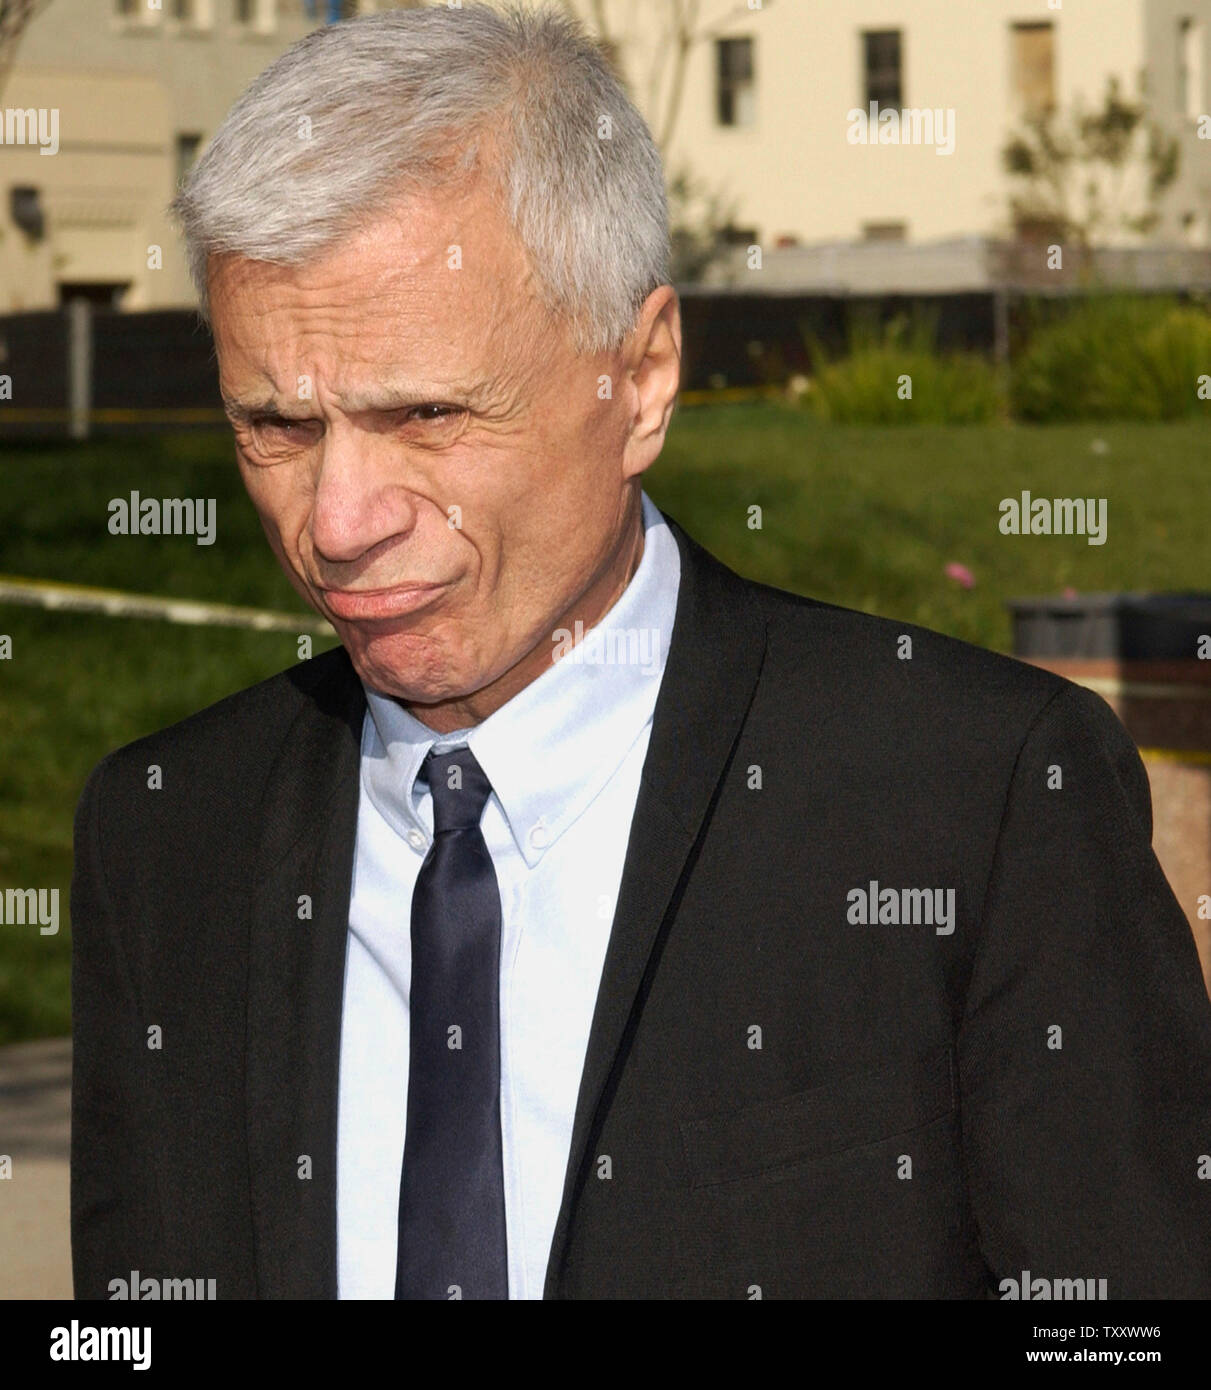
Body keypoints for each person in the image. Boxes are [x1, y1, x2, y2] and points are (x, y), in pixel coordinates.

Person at [71, 4, 1211, 1301]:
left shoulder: (978, 799)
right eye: (275, 425)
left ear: (645, 377)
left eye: (428, 414)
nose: (337, 520)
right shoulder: (164, 838)